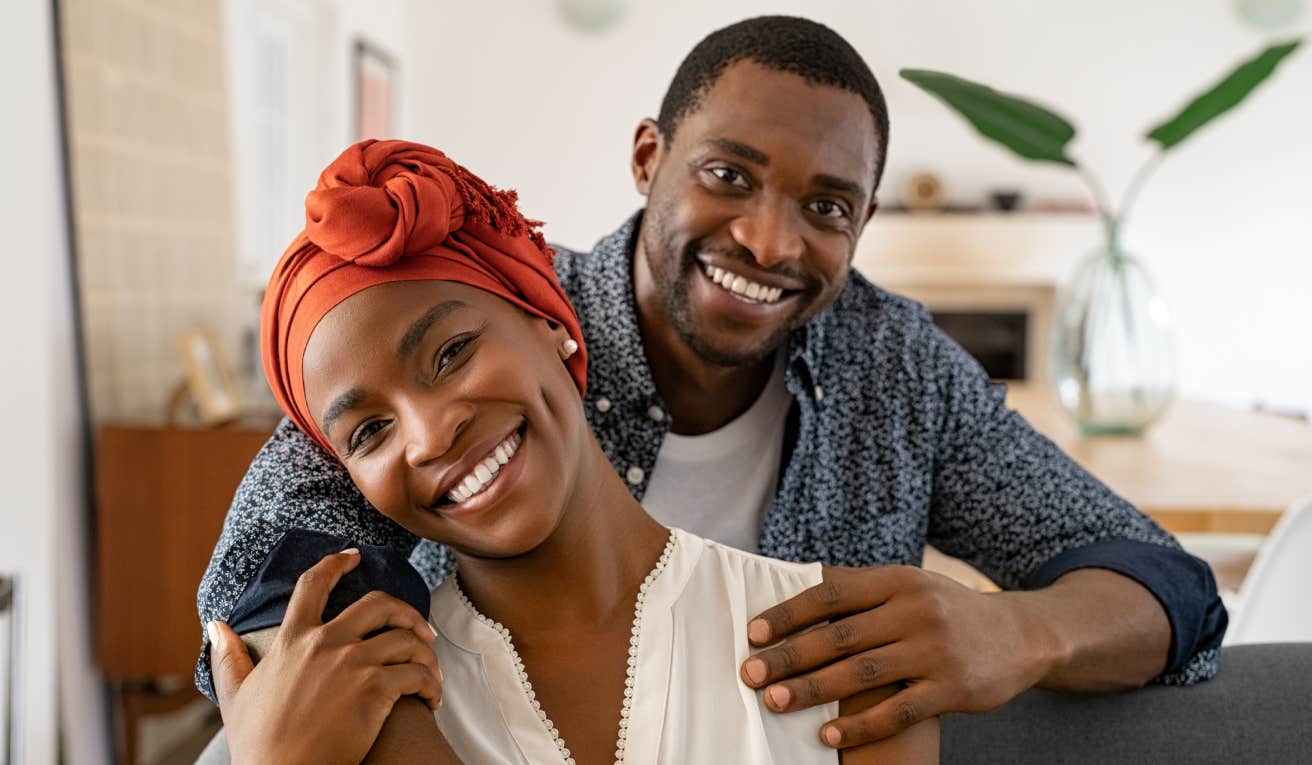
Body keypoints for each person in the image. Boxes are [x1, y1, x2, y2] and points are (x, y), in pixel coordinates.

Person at [197, 15, 1226, 752]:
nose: (771, 240)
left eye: (826, 206)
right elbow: (263, 585)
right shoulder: (481, 332)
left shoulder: (898, 370)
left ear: (862, 227)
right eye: (727, 176)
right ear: (649, 159)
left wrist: (1022, 629)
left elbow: (1170, 589)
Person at [208, 138, 940, 764]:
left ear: (551, 323)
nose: (429, 435)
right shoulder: (350, 699)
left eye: (452, 352)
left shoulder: (844, 650)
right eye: (369, 432)